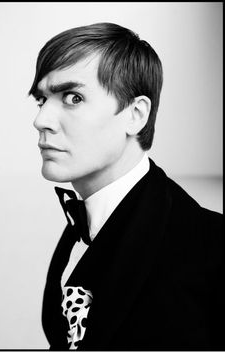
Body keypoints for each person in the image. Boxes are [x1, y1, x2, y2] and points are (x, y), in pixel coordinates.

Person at [28, 22, 224, 351]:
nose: (41, 120)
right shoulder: (80, 230)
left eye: (73, 97)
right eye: (41, 100)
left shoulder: (212, 246)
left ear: (135, 114)